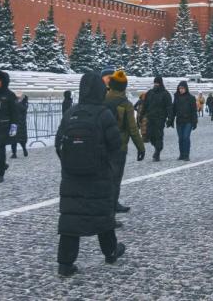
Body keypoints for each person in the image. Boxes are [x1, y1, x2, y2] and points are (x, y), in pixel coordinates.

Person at [55, 72, 126, 277]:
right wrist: (106, 166)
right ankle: (111, 252)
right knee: (103, 216)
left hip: (71, 177)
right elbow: (115, 145)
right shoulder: (104, 114)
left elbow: (59, 144)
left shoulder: (70, 113)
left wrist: (71, 164)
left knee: (70, 219)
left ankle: (65, 264)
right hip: (98, 175)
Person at [104, 70, 145, 218]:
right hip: (119, 146)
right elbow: (133, 129)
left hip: (102, 145)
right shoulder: (126, 104)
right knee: (115, 179)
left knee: (104, 178)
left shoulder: (102, 99)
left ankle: (108, 206)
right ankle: (111, 209)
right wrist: (141, 147)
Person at [143, 76, 173, 161]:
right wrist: (141, 115)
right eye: (155, 83)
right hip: (150, 117)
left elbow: (169, 107)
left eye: (157, 83)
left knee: (158, 136)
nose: (156, 84)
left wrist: (170, 118)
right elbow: (145, 105)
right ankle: (157, 147)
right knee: (150, 135)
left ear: (161, 83)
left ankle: (157, 152)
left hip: (160, 118)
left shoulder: (165, 94)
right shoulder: (150, 93)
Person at [172, 81, 198, 161]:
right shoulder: (176, 97)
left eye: (182, 88)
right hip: (179, 121)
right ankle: (181, 154)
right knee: (180, 138)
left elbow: (194, 111)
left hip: (188, 121)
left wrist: (195, 122)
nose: (181, 90)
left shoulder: (191, 98)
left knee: (186, 137)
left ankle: (186, 155)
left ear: (186, 88)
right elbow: (173, 110)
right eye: (180, 88)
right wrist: (171, 119)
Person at [11, 93, 29, 158]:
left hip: (15, 123)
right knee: (22, 138)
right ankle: (24, 149)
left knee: (13, 139)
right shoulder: (25, 104)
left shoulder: (16, 104)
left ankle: (14, 153)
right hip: (22, 124)